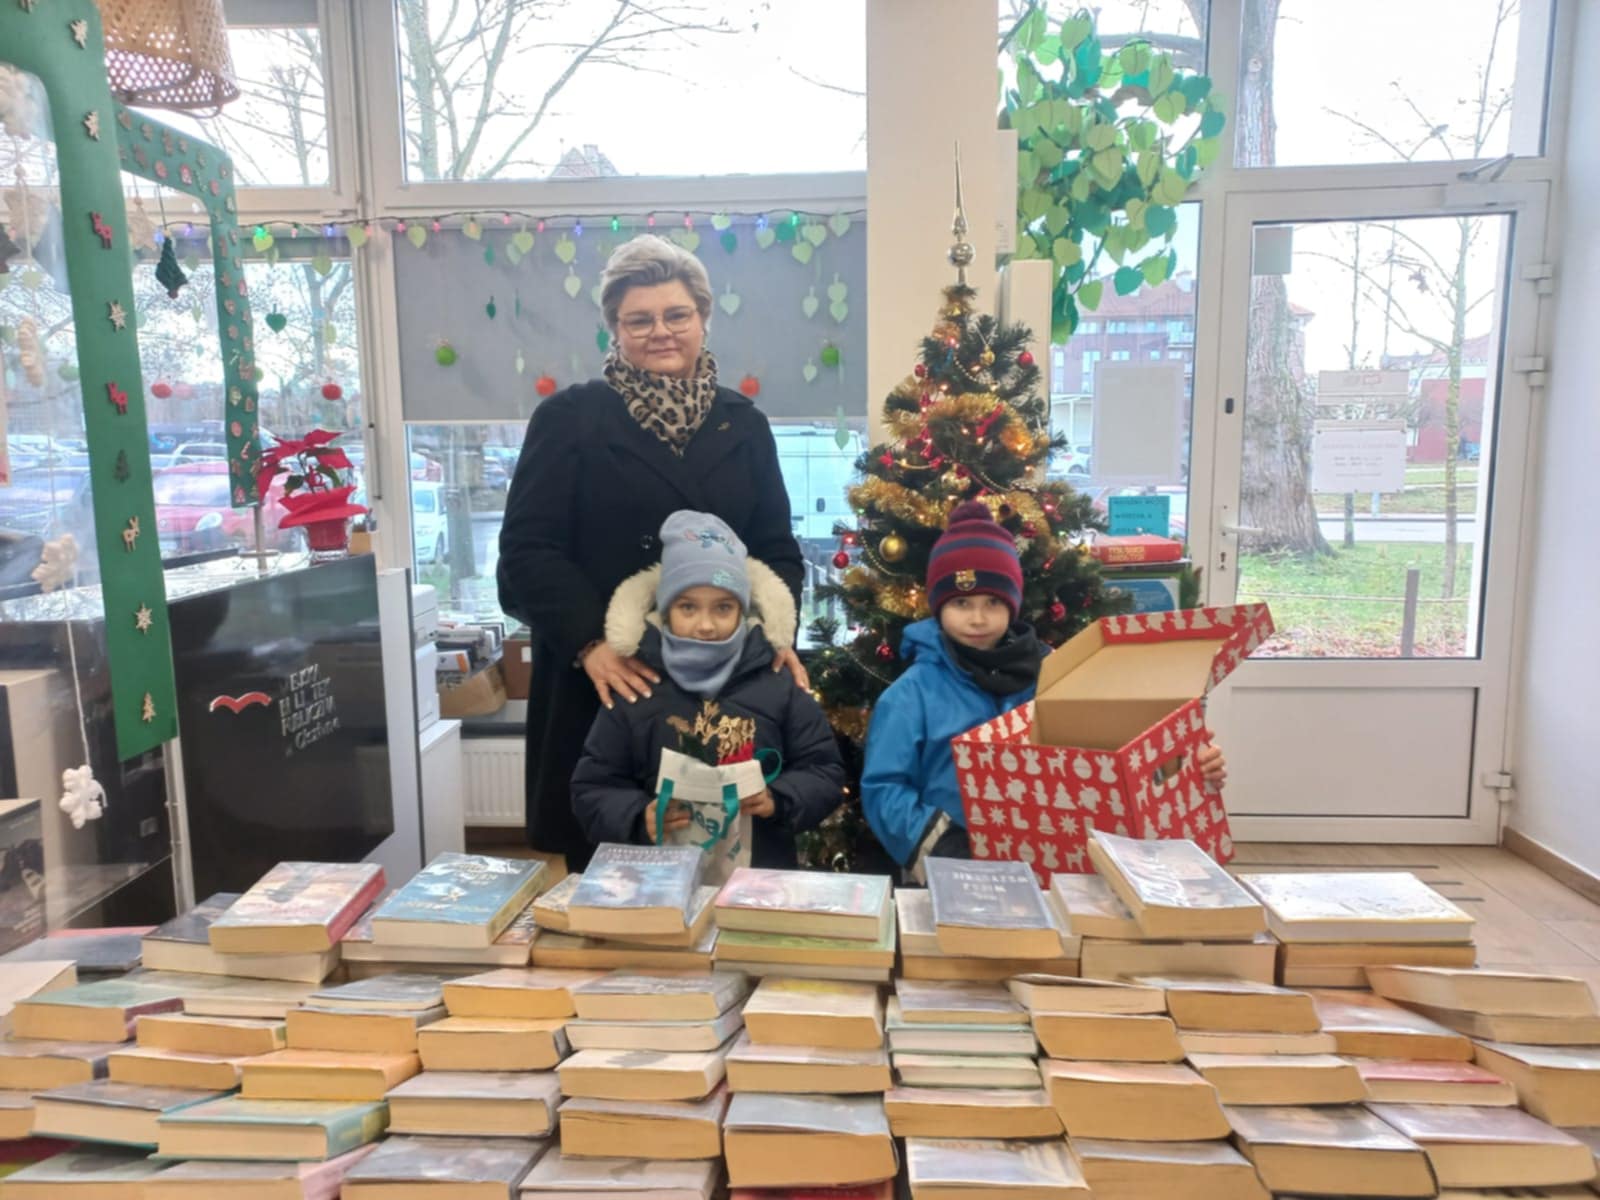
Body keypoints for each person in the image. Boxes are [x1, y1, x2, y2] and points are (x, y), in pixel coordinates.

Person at [498, 236, 806, 871]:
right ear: (615, 328)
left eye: (676, 315)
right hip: (606, 687)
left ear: (703, 319)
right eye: (639, 319)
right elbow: (526, 554)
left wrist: (776, 631)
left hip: (726, 687)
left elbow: (775, 548)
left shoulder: (743, 422)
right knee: (614, 883)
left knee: (732, 874)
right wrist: (590, 643)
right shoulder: (569, 419)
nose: (660, 332)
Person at [861, 501, 1226, 880]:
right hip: (954, 868)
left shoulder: (1058, 678)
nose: (978, 618)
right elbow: (884, 788)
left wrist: (1180, 768)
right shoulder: (910, 697)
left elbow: (1109, 757)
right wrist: (945, 846)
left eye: (993, 602)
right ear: (939, 607)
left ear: (1012, 604)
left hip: (1056, 866)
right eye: (961, 603)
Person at [571, 511, 845, 868]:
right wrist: (639, 817)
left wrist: (778, 799)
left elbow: (824, 770)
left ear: (742, 610)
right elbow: (592, 787)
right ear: (666, 610)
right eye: (687, 607)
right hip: (657, 884)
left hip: (760, 878)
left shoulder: (778, 684)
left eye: (723, 607)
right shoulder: (636, 685)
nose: (705, 625)